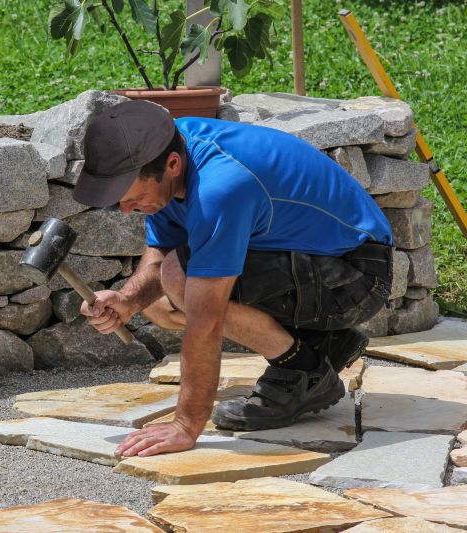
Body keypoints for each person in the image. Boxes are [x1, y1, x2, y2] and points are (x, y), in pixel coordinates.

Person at [72, 99, 393, 459]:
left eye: (131, 198)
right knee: (160, 302)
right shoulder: (167, 152)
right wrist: (128, 299)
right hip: (317, 259)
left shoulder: (220, 187)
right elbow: (162, 252)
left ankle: (305, 371)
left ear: (172, 166)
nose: (126, 210)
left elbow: (204, 320)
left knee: (180, 281)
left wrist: (185, 424)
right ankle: (319, 344)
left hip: (359, 276)